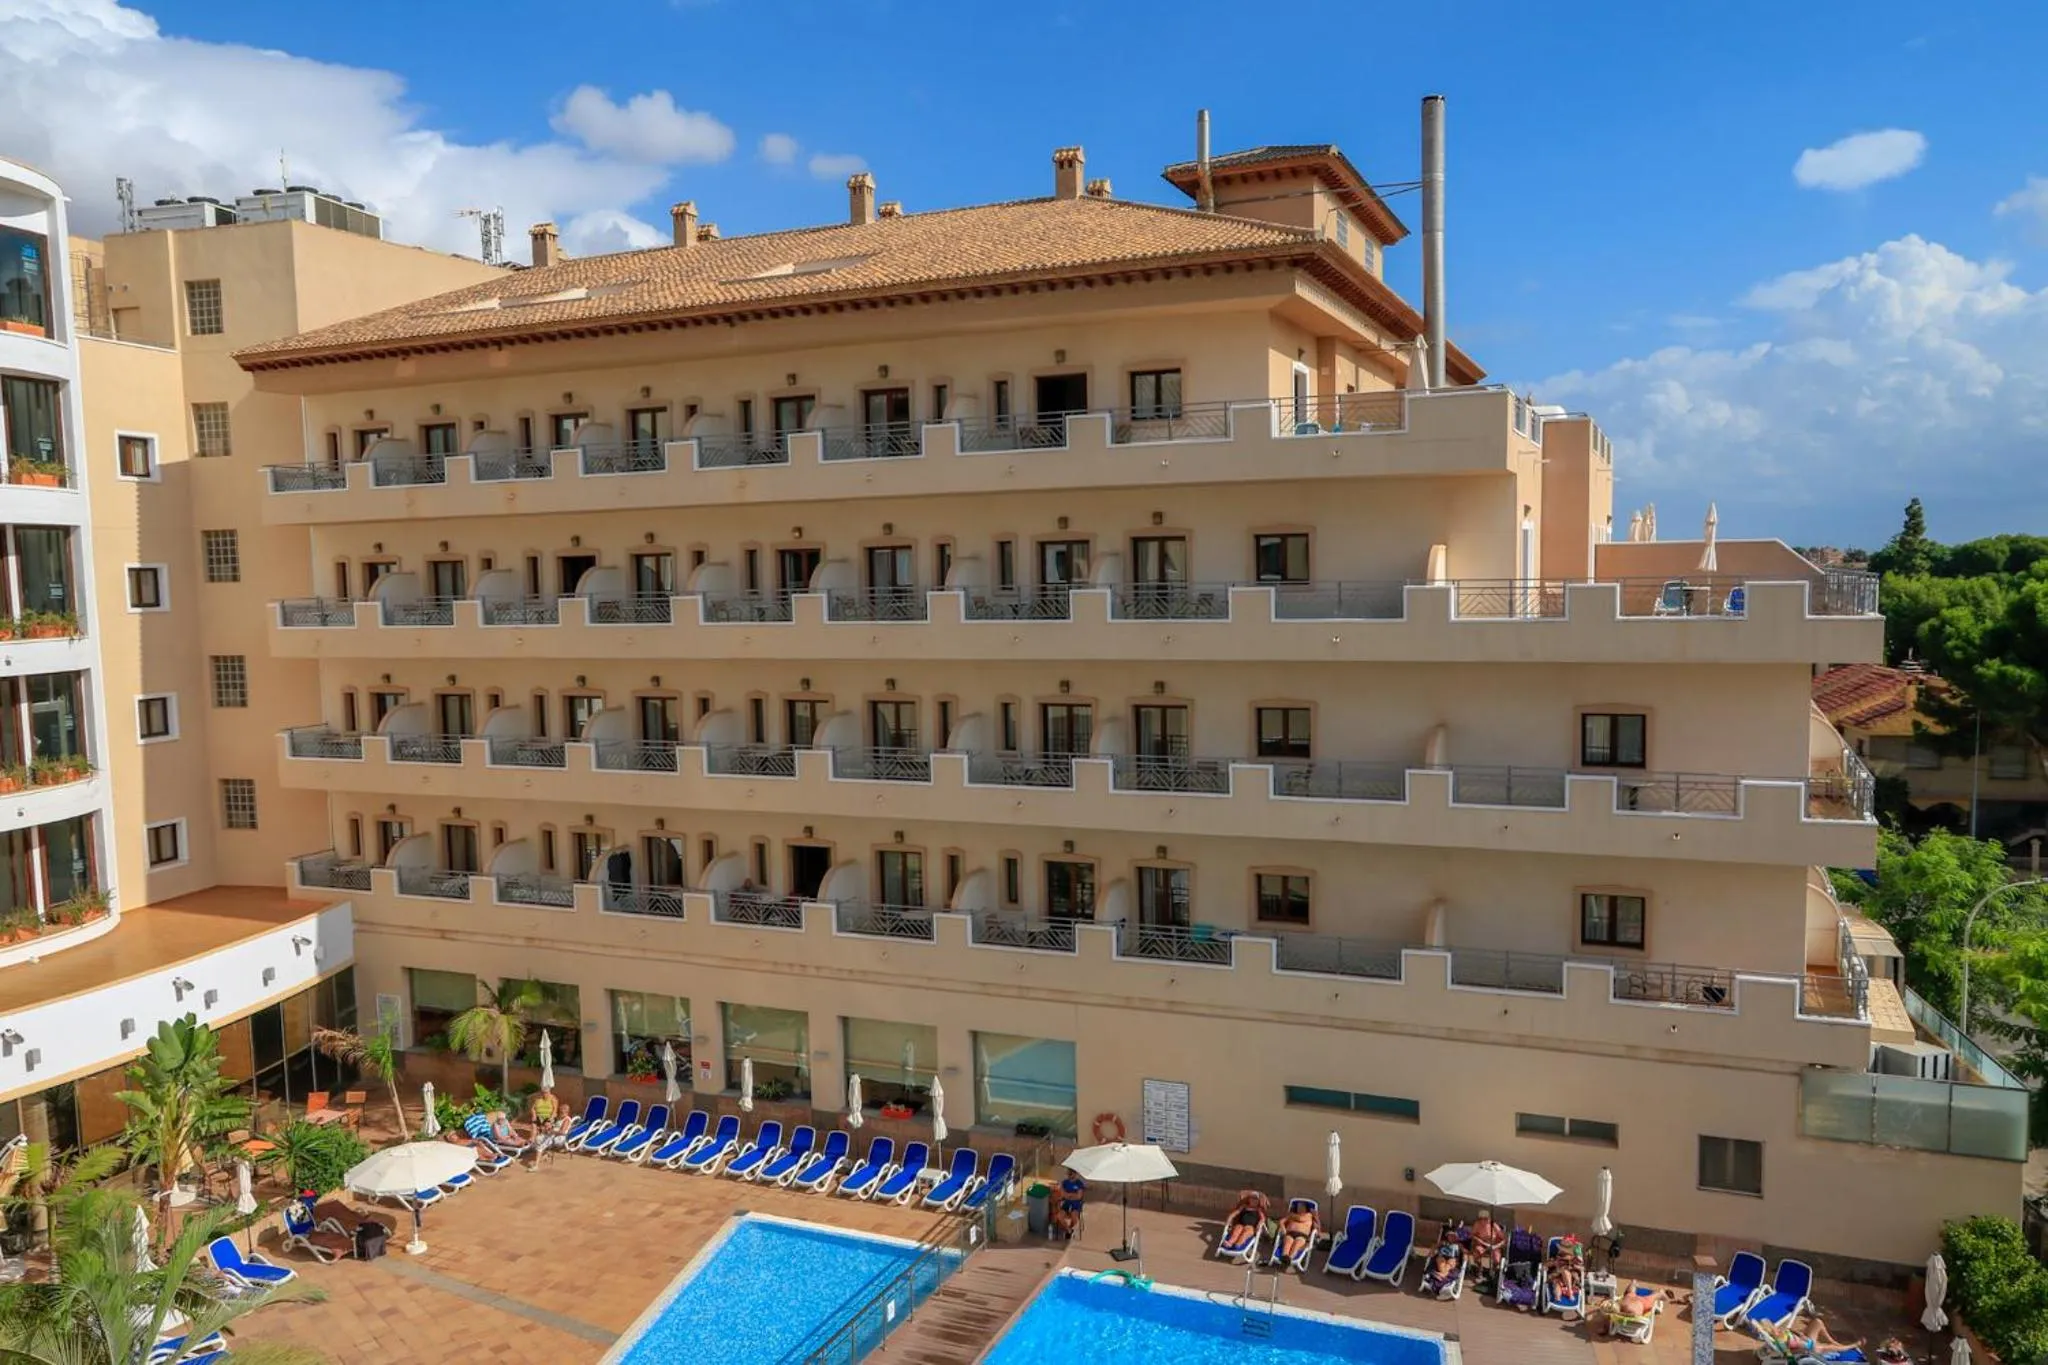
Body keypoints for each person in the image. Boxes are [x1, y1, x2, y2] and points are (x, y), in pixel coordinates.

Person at [528, 1085, 569, 1166]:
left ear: (549, 1092)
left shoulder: (553, 1099)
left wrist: (550, 1120)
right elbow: (532, 1109)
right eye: (543, 1093)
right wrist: (534, 1115)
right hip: (539, 1117)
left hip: (549, 1118)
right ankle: (532, 1140)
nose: (544, 1094)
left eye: (546, 1093)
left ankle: (538, 1159)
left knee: (546, 1128)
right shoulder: (537, 1099)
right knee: (533, 1124)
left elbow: (554, 1111)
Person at [1218, 1191, 1267, 1256]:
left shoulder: (1258, 1209)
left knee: (1245, 1234)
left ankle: (1238, 1244)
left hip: (1251, 1227)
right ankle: (1229, 1243)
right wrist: (1229, 1219)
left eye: (1255, 1199)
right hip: (1241, 1224)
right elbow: (1235, 1213)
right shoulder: (1244, 1206)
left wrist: (1259, 1224)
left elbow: (1263, 1218)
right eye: (1252, 1198)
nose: (1253, 1200)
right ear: (1249, 1199)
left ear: (1258, 1201)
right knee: (1236, 1231)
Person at [1468, 1209, 1507, 1277]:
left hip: (1494, 1245)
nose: (1483, 1221)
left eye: (1485, 1219)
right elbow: (1472, 1235)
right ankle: (1480, 1268)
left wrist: (1496, 1246)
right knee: (1476, 1253)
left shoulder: (1494, 1225)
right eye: (1481, 1219)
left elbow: (1504, 1239)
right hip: (1482, 1244)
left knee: (1497, 1259)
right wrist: (1481, 1241)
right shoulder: (1477, 1224)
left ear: (1488, 1219)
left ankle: (1493, 1269)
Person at [1050, 1175, 1086, 1239]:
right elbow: (1063, 1194)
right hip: (1066, 1204)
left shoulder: (1079, 1184)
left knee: (1074, 1217)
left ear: (1075, 1174)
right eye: (1069, 1172)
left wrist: (1068, 1195)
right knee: (1059, 1216)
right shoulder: (1065, 1182)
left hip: (1076, 1205)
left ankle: (1071, 1227)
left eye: (1072, 1173)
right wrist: (1072, 1195)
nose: (1070, 1174)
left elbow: (1079, 1196)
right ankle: (1068, 1230)